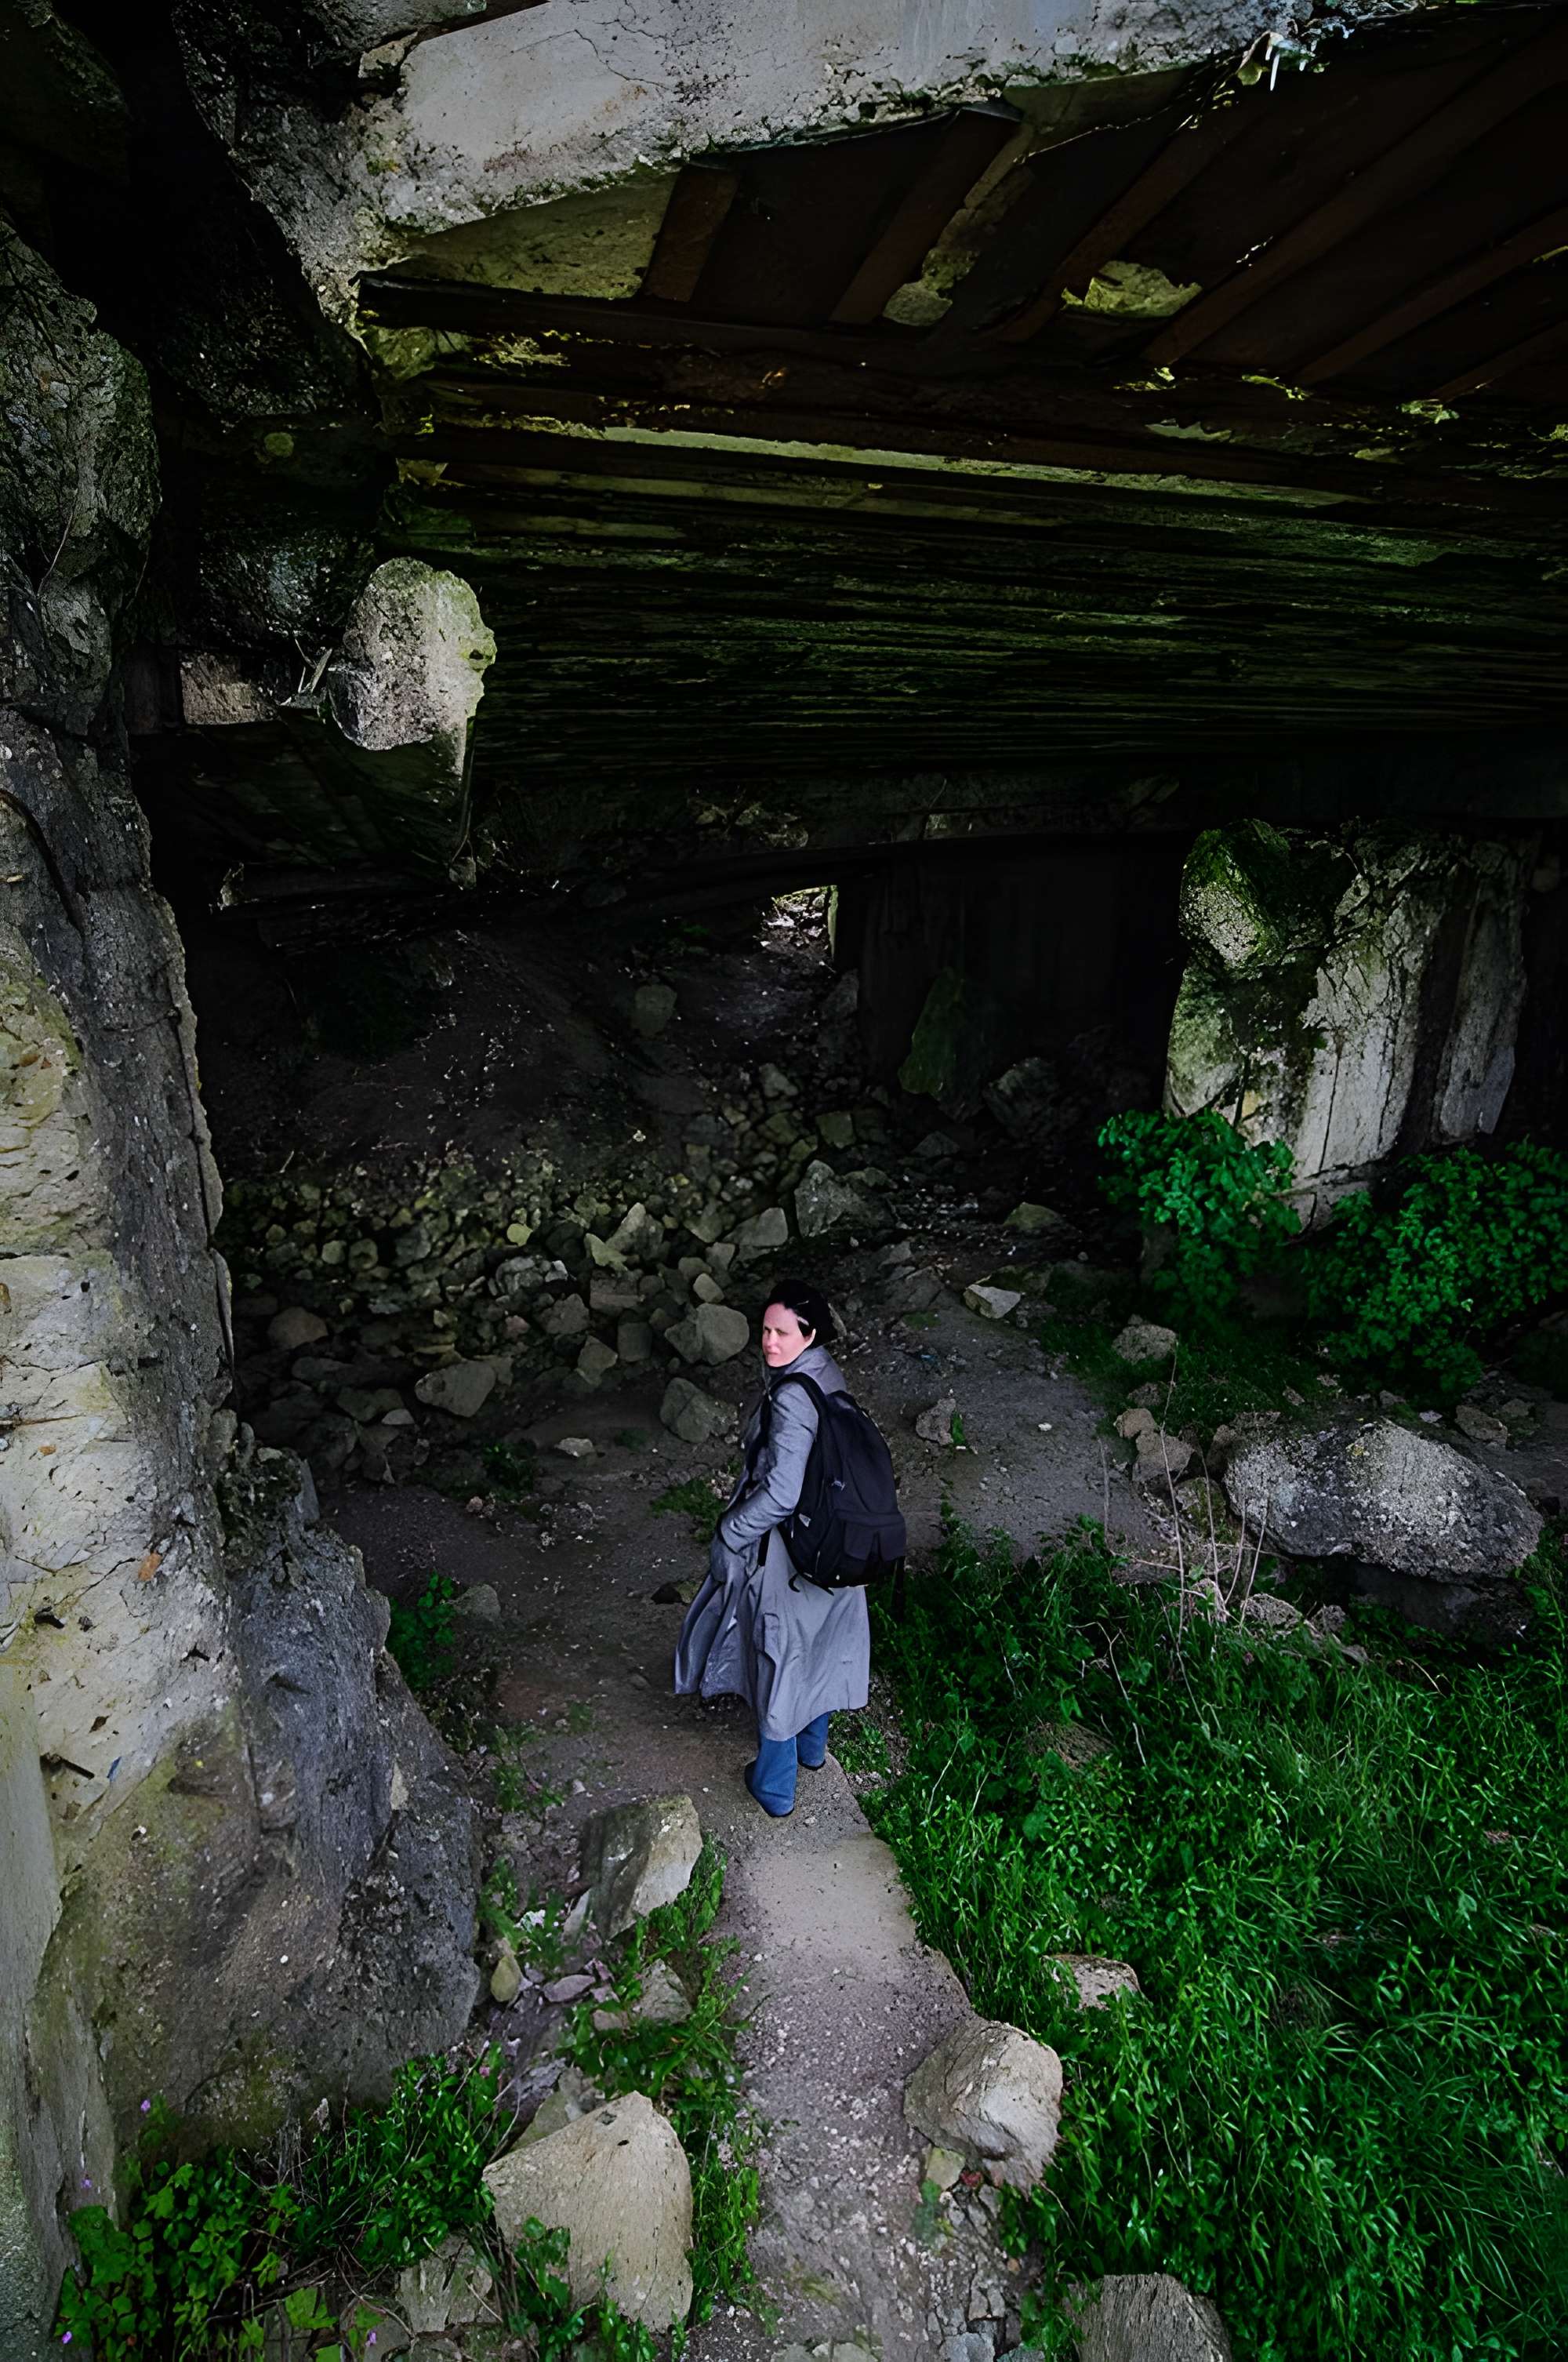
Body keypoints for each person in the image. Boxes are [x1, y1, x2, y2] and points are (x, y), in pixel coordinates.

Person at [672, 1281, 870, 1819]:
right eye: (765, 1330)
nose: (769, 1342)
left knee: (779, 1657)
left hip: (791, 1552)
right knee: (822, 1646)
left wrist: (730, 1533)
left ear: (810, 1334)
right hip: (835, 1540)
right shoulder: (826, 1374)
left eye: (782, 1332)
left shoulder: (792, 1398)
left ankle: (775, 1788)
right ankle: (812, 1750)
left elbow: (781, 1492)